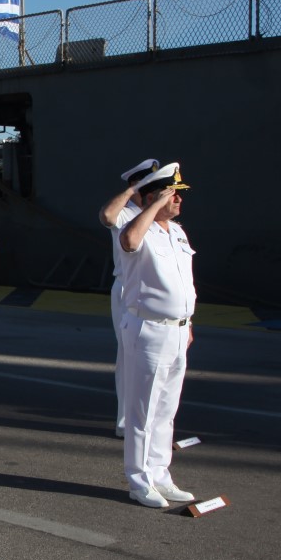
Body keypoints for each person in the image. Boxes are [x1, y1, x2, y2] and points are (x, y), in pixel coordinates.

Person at [116, 162, 198, 508]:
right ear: (155, 196)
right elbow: (129, 240)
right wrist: (151, 204)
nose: (179, 199)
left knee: (166, 410)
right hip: (148, 330)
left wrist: (188, 322)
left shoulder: (177, 233)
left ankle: (160, 474)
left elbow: (183, 284)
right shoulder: (139, 228)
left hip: (177, 332)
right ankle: (139, 480)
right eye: (172, 194)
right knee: (142, 411)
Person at [98, 159, 159, 437]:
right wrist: (129, 191)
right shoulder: (126, 213)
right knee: (128, 355)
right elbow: (107, 217)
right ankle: (125, 422)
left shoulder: (155, 216)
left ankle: (147, 418)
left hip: (152, 292)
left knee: (152, 358)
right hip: (128, 289)